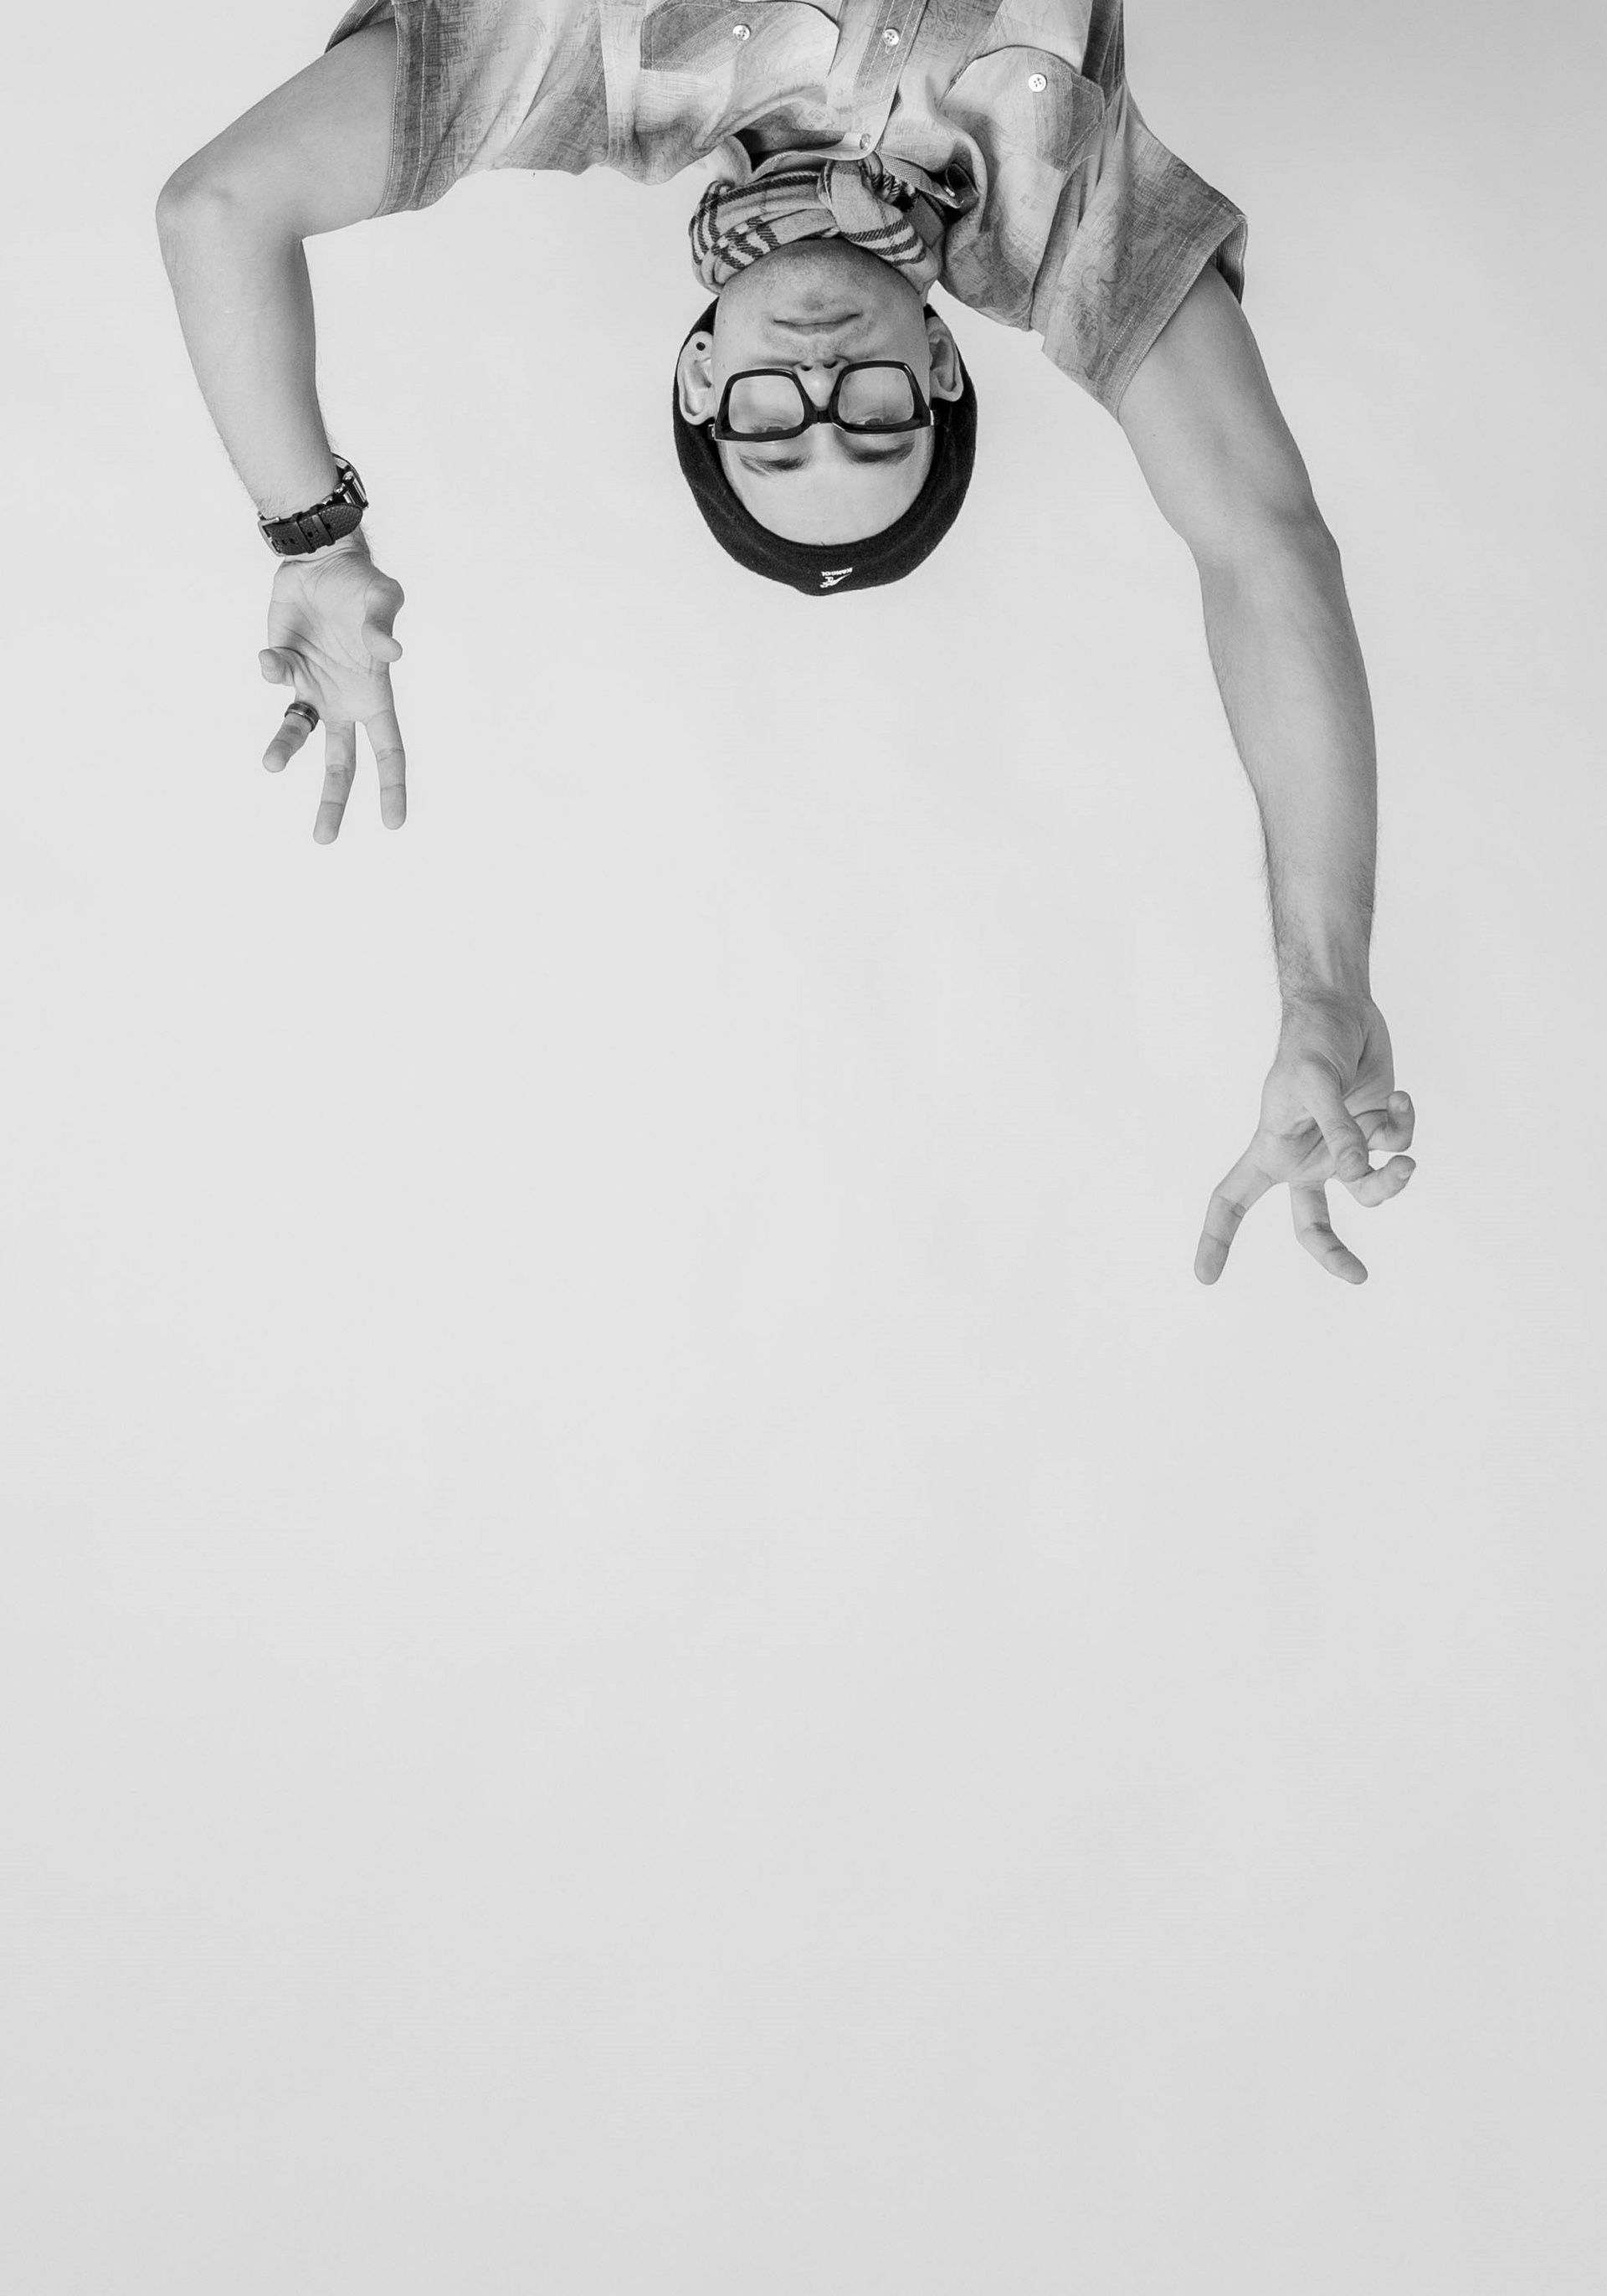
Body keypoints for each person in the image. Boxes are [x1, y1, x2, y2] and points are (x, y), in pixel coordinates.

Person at [156, 0, 1417, 1285]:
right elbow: (1262, 548)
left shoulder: (586, 75)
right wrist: (1324, 988)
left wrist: (316, 541)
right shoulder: (1074, 224)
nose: (819, 382)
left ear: (706, 381)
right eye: (873, 419)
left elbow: (217, 209)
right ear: (937, 366)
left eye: (769, 427)